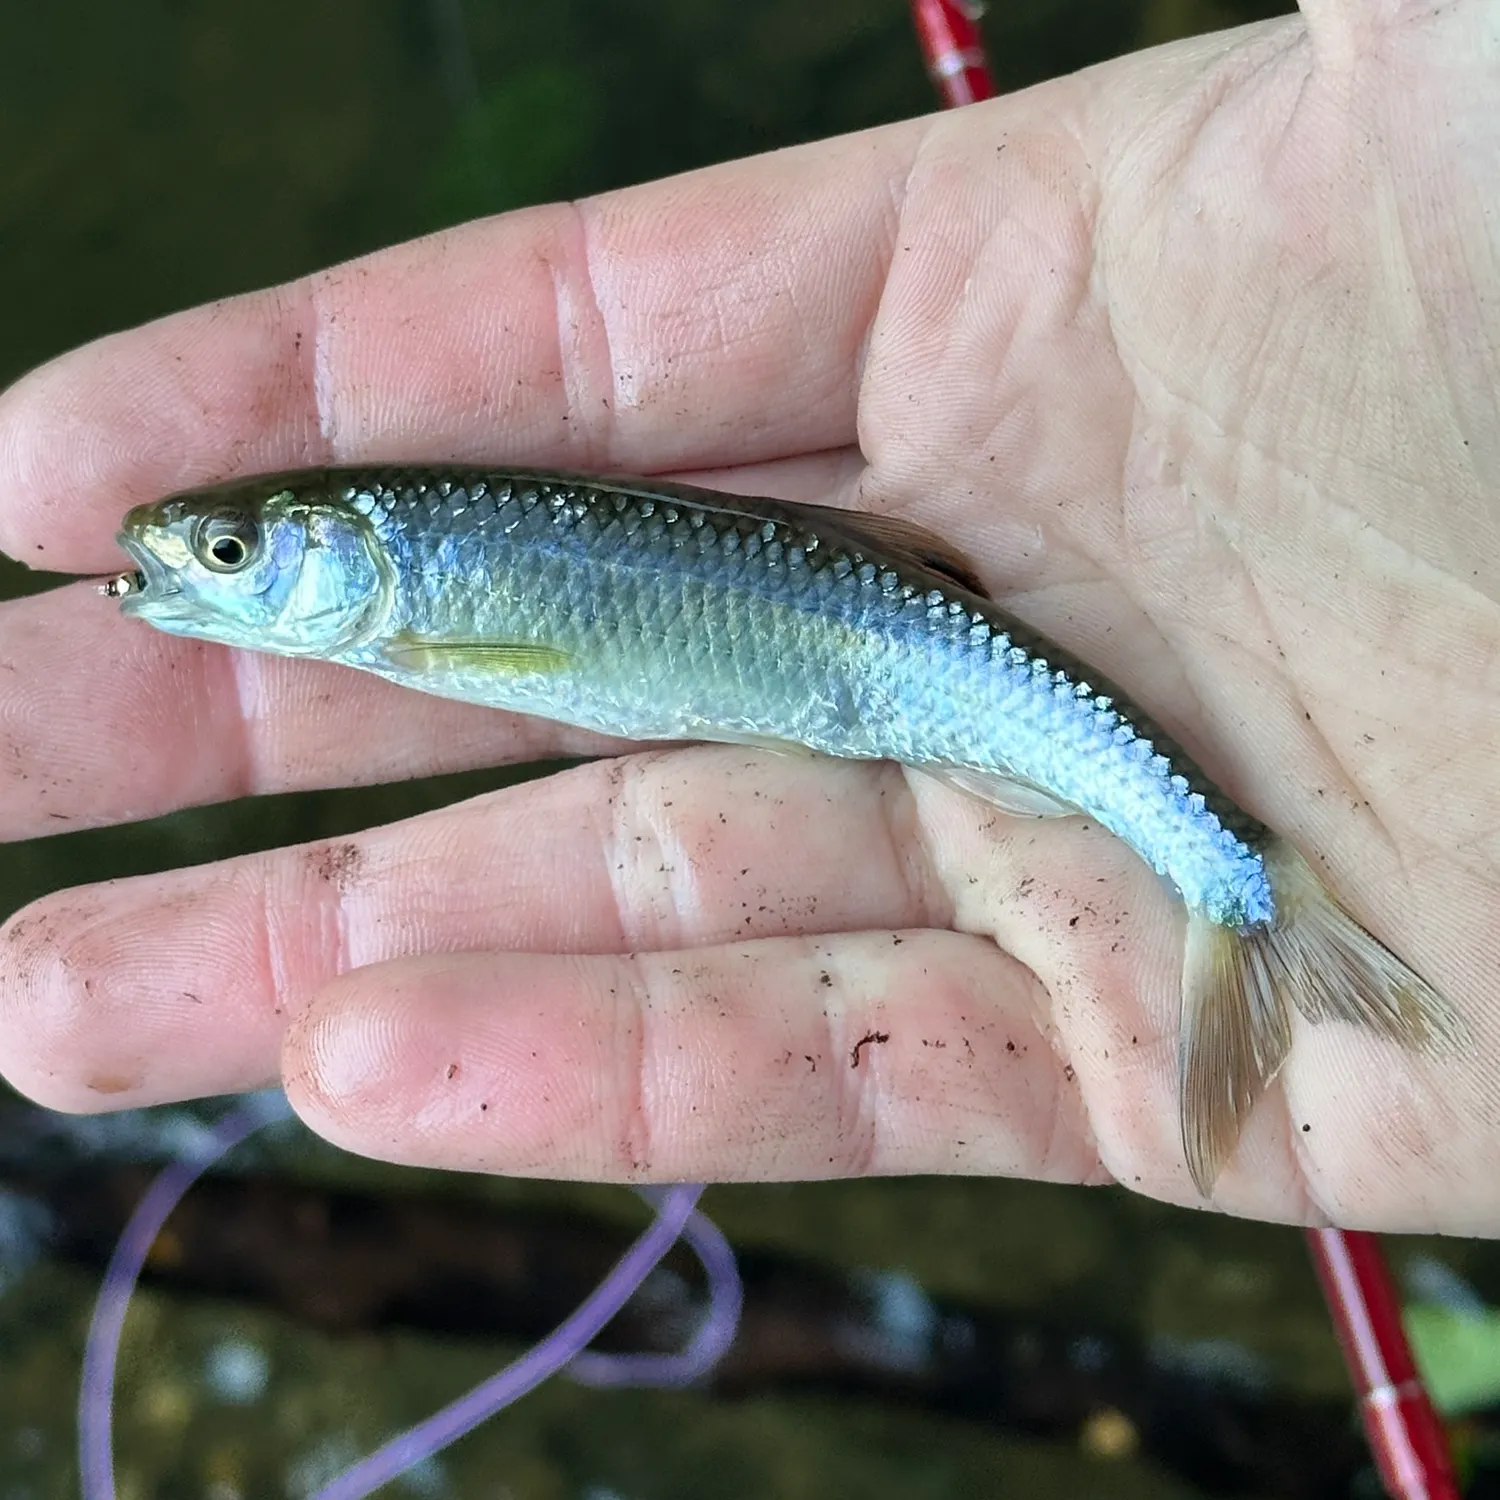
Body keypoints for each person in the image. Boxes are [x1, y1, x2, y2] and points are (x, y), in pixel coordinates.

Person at [0, 0, 1493, 1233]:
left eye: (228, 549)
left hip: (896, 658)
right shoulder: (405, 601)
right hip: (889, 656)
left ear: (343, 550)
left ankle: (1243, 892)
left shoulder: (420, 607)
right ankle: (1253, 906)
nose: (195, 566)